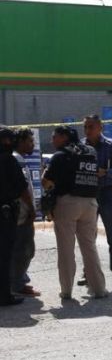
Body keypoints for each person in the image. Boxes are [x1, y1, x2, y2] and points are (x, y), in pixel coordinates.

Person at [43, 126, 106, 301]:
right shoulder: (91, 151)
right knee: (89, 247)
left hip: (68, 203)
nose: (52, 140)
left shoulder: (60, 156)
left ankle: (66, 291)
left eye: (54, 136)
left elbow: (45, 181)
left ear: (64, 137)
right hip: (90, 203)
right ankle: (99, 289)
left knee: (66, 249)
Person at [81, 115, 112, 289]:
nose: (87, 130)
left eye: (91, 126)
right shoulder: (81, 146)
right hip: (86, 195)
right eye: (85, 127)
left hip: (107, 194)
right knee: (87, 237)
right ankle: (89, 273)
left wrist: (106, 172)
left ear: (100, 127)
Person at [0, 127, 31, 307]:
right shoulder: (8, 160)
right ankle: (4, 296)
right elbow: (22, 188)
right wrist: (32, 210)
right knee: (4, 256)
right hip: (5, 215)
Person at [10, 129, 38, 298]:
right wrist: (32, 209)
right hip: (22, 213)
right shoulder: (17, 159)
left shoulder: (18, 158)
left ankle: (17, 280)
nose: (32, 145)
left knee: (23, 249)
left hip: (20, 212)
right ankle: (17, 284)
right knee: (25, 249)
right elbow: (22, 189)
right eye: (29, 141)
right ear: (20, 141)